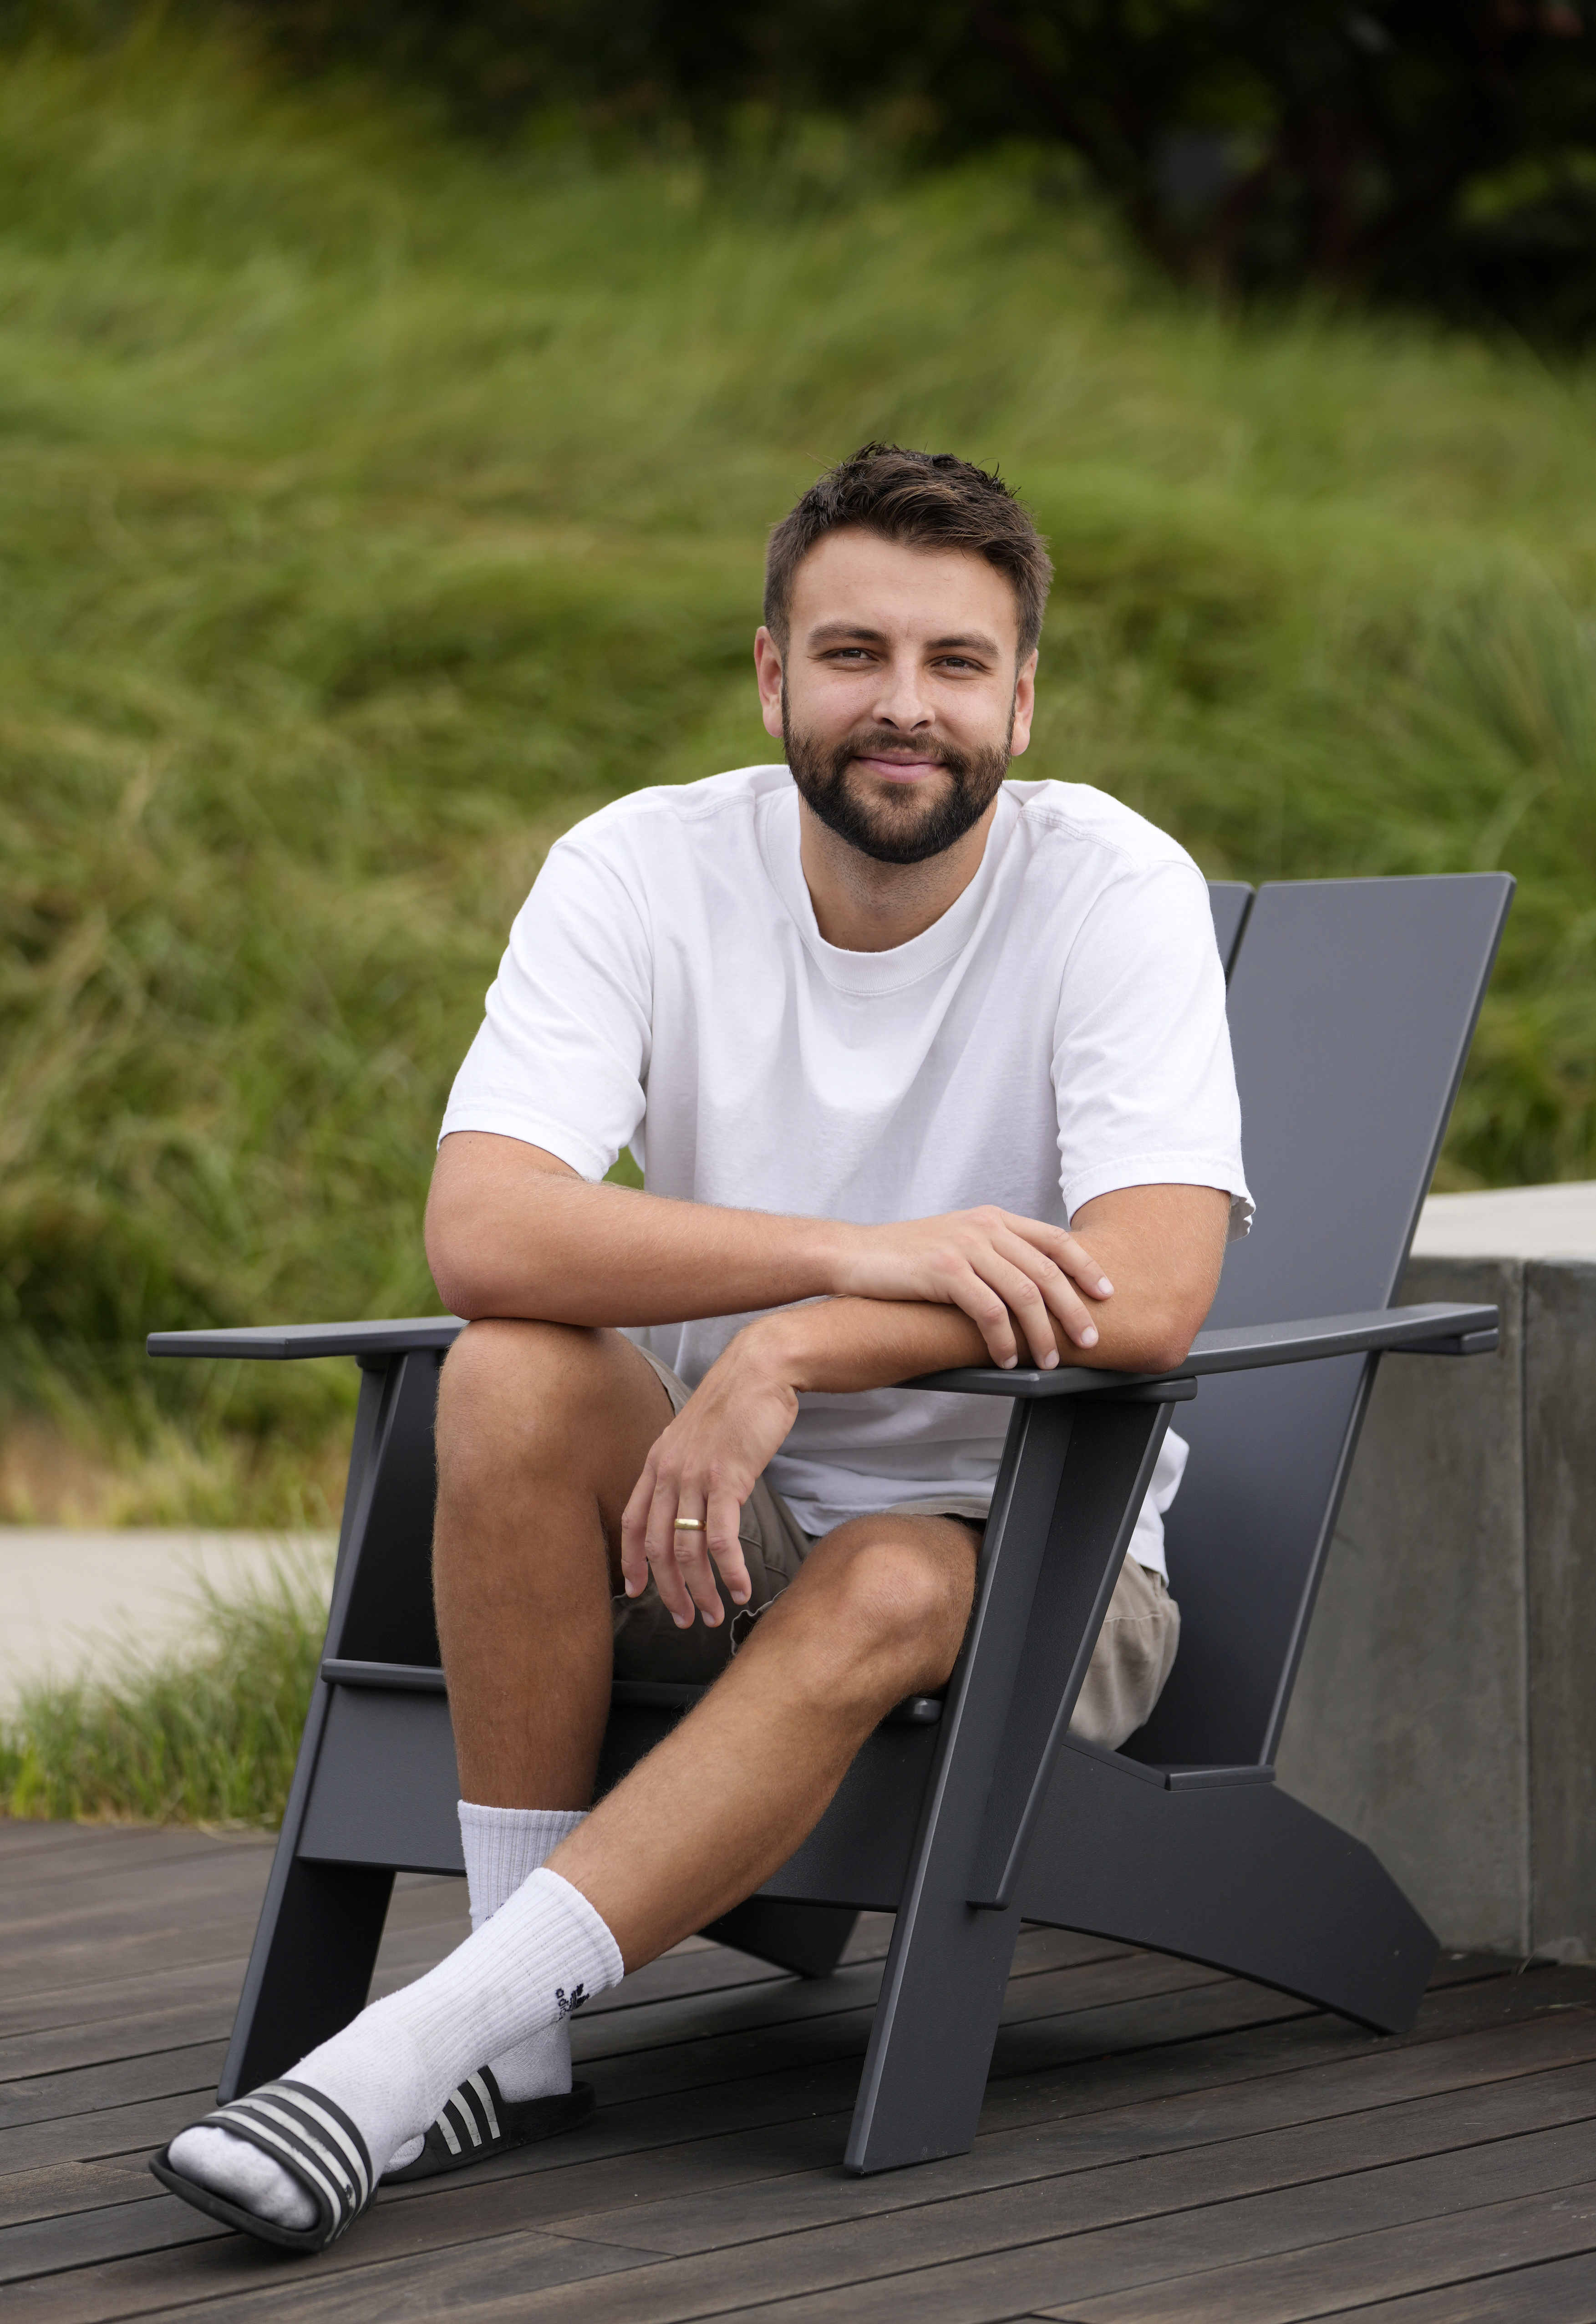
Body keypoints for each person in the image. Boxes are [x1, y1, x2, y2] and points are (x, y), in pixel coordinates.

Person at [154, 443, 1251, 2252]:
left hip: (1034, 1563)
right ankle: (527, 2055)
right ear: (769, 674)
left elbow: (1148, 1288)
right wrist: (857, 1253)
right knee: (507, 1363)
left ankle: (420, 2041)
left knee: (896, 1570)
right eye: (852, 653)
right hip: (704, 1526)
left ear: (1023, 696)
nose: (903, 706)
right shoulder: (642, 866)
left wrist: (796, 1345)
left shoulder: (1107, 889)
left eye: (956, 662)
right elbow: (485, 1223)